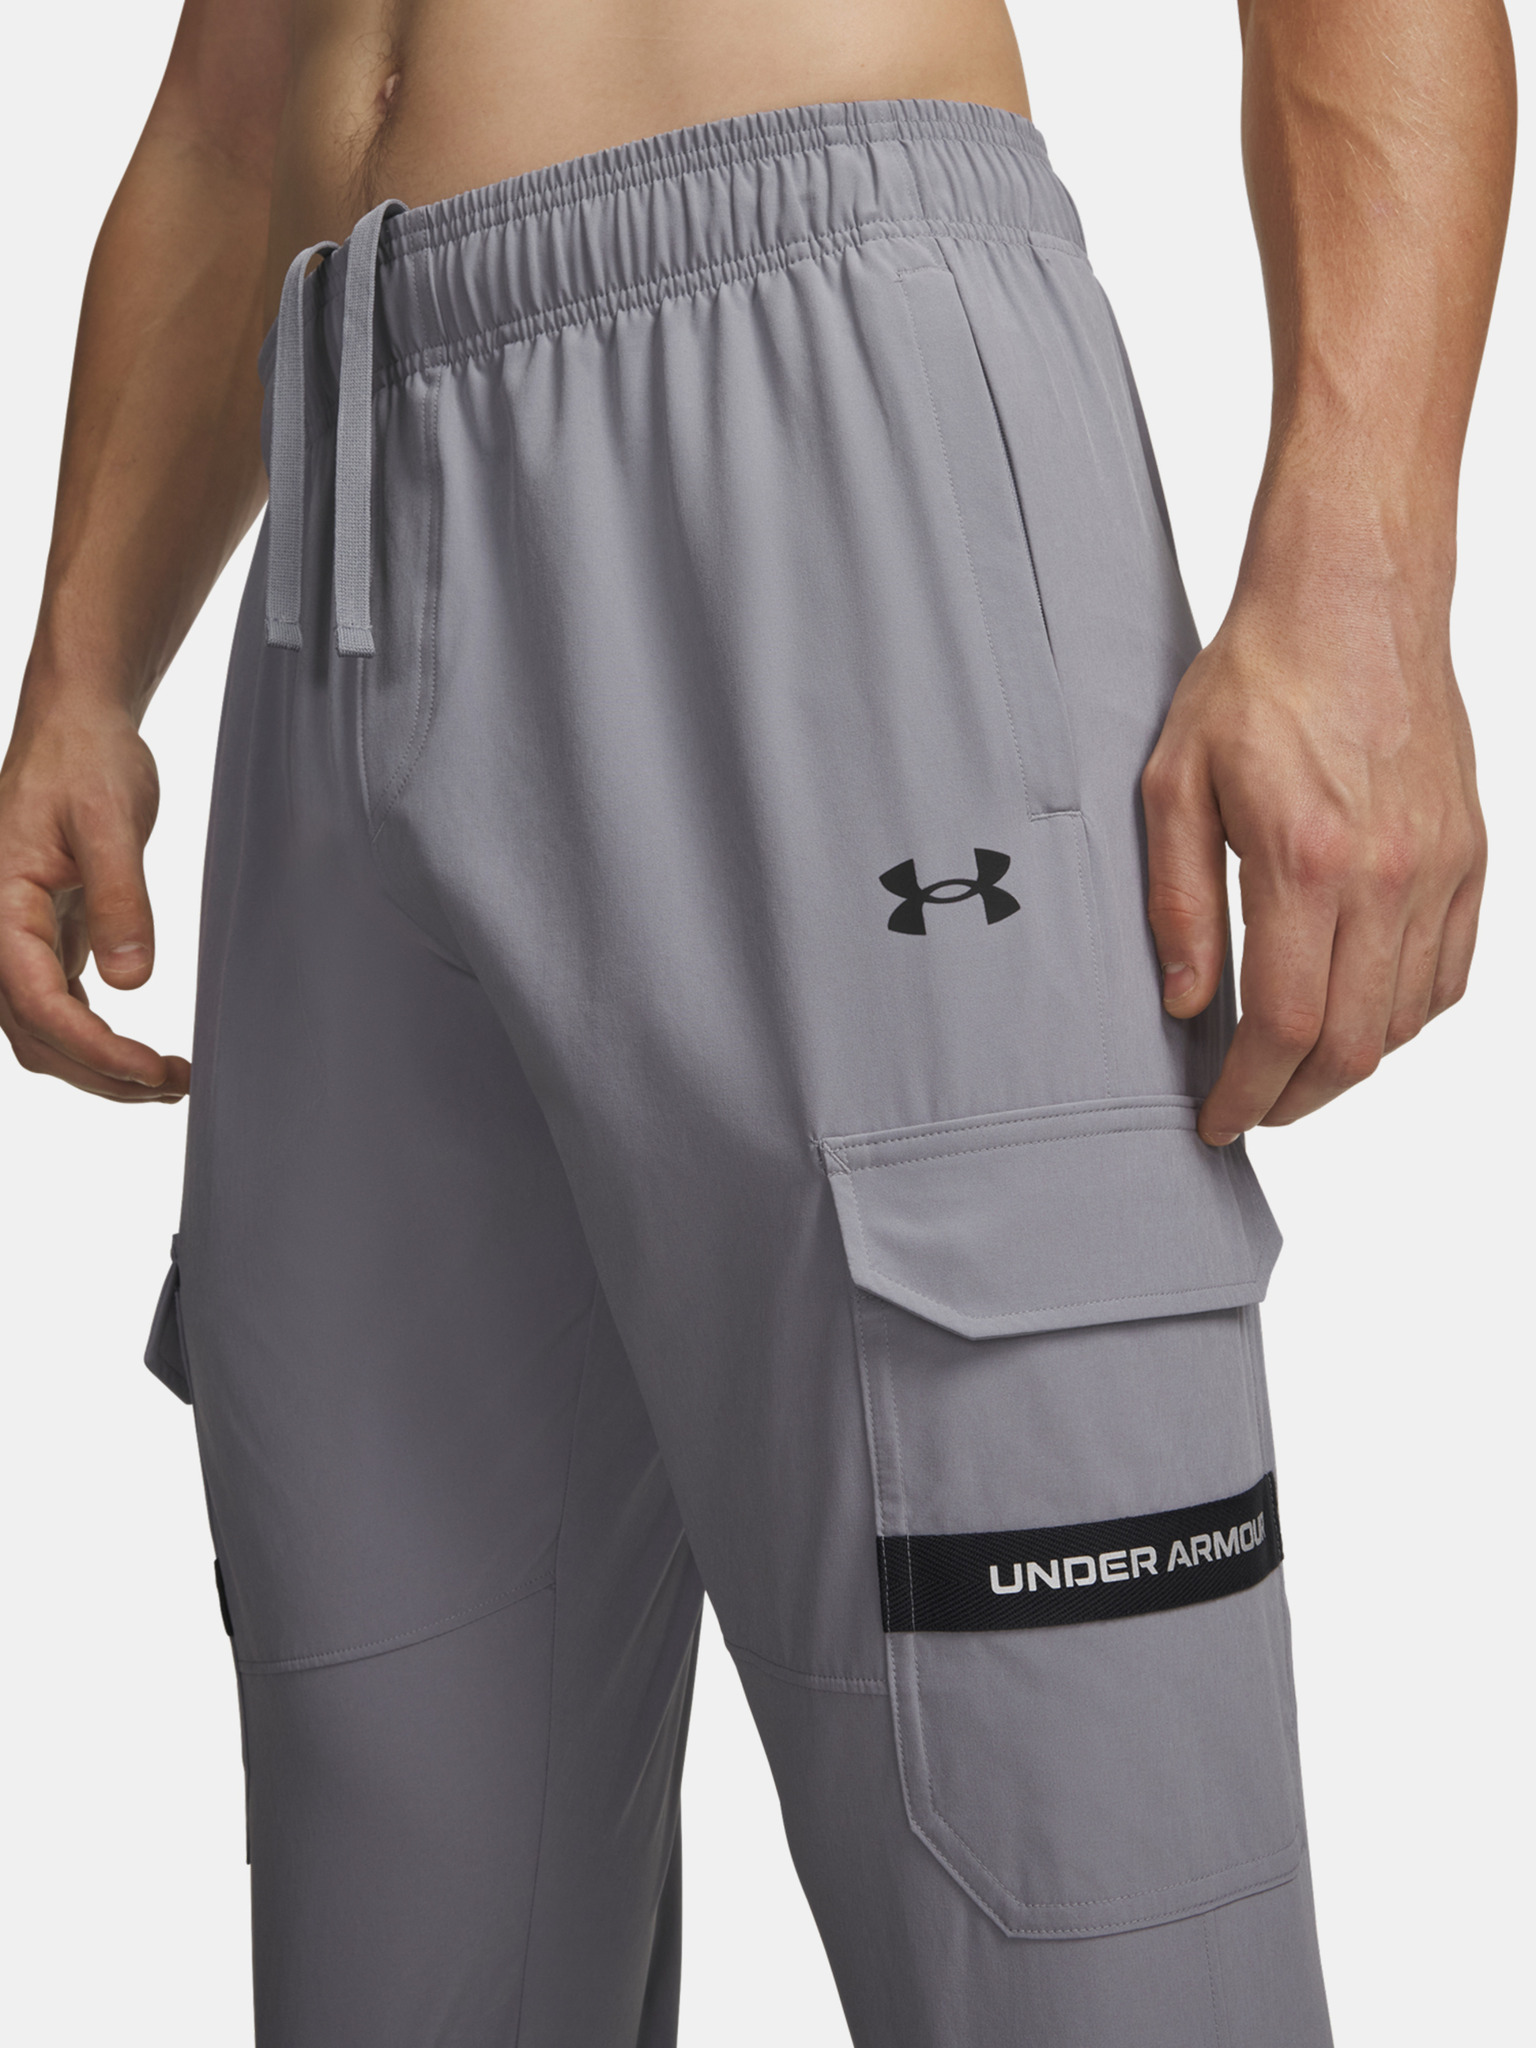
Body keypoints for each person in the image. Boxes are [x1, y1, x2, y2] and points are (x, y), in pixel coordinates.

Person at [0, 0, 1513, 2041]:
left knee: (1081, 1917)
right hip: (340, 505)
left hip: (810, 384)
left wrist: (1365, 591)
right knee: (400, 1942)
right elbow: (237, 86)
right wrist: (84, 660)